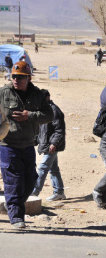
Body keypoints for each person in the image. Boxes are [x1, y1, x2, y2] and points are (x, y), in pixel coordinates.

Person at [0, 61, 53, 229]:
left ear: (28, 78)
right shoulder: (3, 93)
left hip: (28, 145)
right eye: (14, 76)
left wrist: (29, 115)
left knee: (30, 181)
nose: (16, 80)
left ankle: (13, 203)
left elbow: (48, 115)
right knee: (13, 181)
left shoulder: (37, 94)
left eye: (21, 77)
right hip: (8, 145)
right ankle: (16, 217)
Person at [31, 89, 66, 201]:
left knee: (42, 168)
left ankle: (33, 193)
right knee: (53, 169)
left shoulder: (54, 110)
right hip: (46, 144)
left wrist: (54, 143)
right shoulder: (43, 110)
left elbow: (59, 130)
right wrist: (35, 140)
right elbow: (40, 128)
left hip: (51, 145)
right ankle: (59, 192)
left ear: (47, 97)